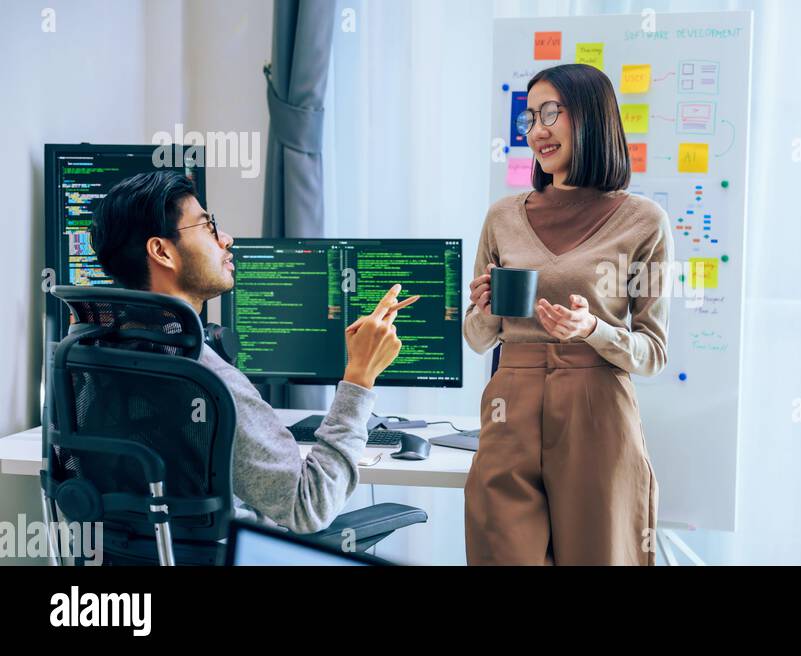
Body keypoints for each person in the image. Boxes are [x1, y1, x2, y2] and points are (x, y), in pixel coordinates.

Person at [89, 170, 417, 533]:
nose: (225, 239)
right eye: (208, 227)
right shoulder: (206, 379)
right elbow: (309, 507)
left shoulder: (93, 357)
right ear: (162, 251)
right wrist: (360, 376)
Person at [463, 63, 673, 565]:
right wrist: (487, 309)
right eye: (530, 116)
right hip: (509, 407)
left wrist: (594, 330)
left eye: (551, 112)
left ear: (593, 117)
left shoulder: (644, 222)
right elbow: (476, 338)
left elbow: (653, 353)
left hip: (597, 412)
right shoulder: (503, 217)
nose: (537, 129)